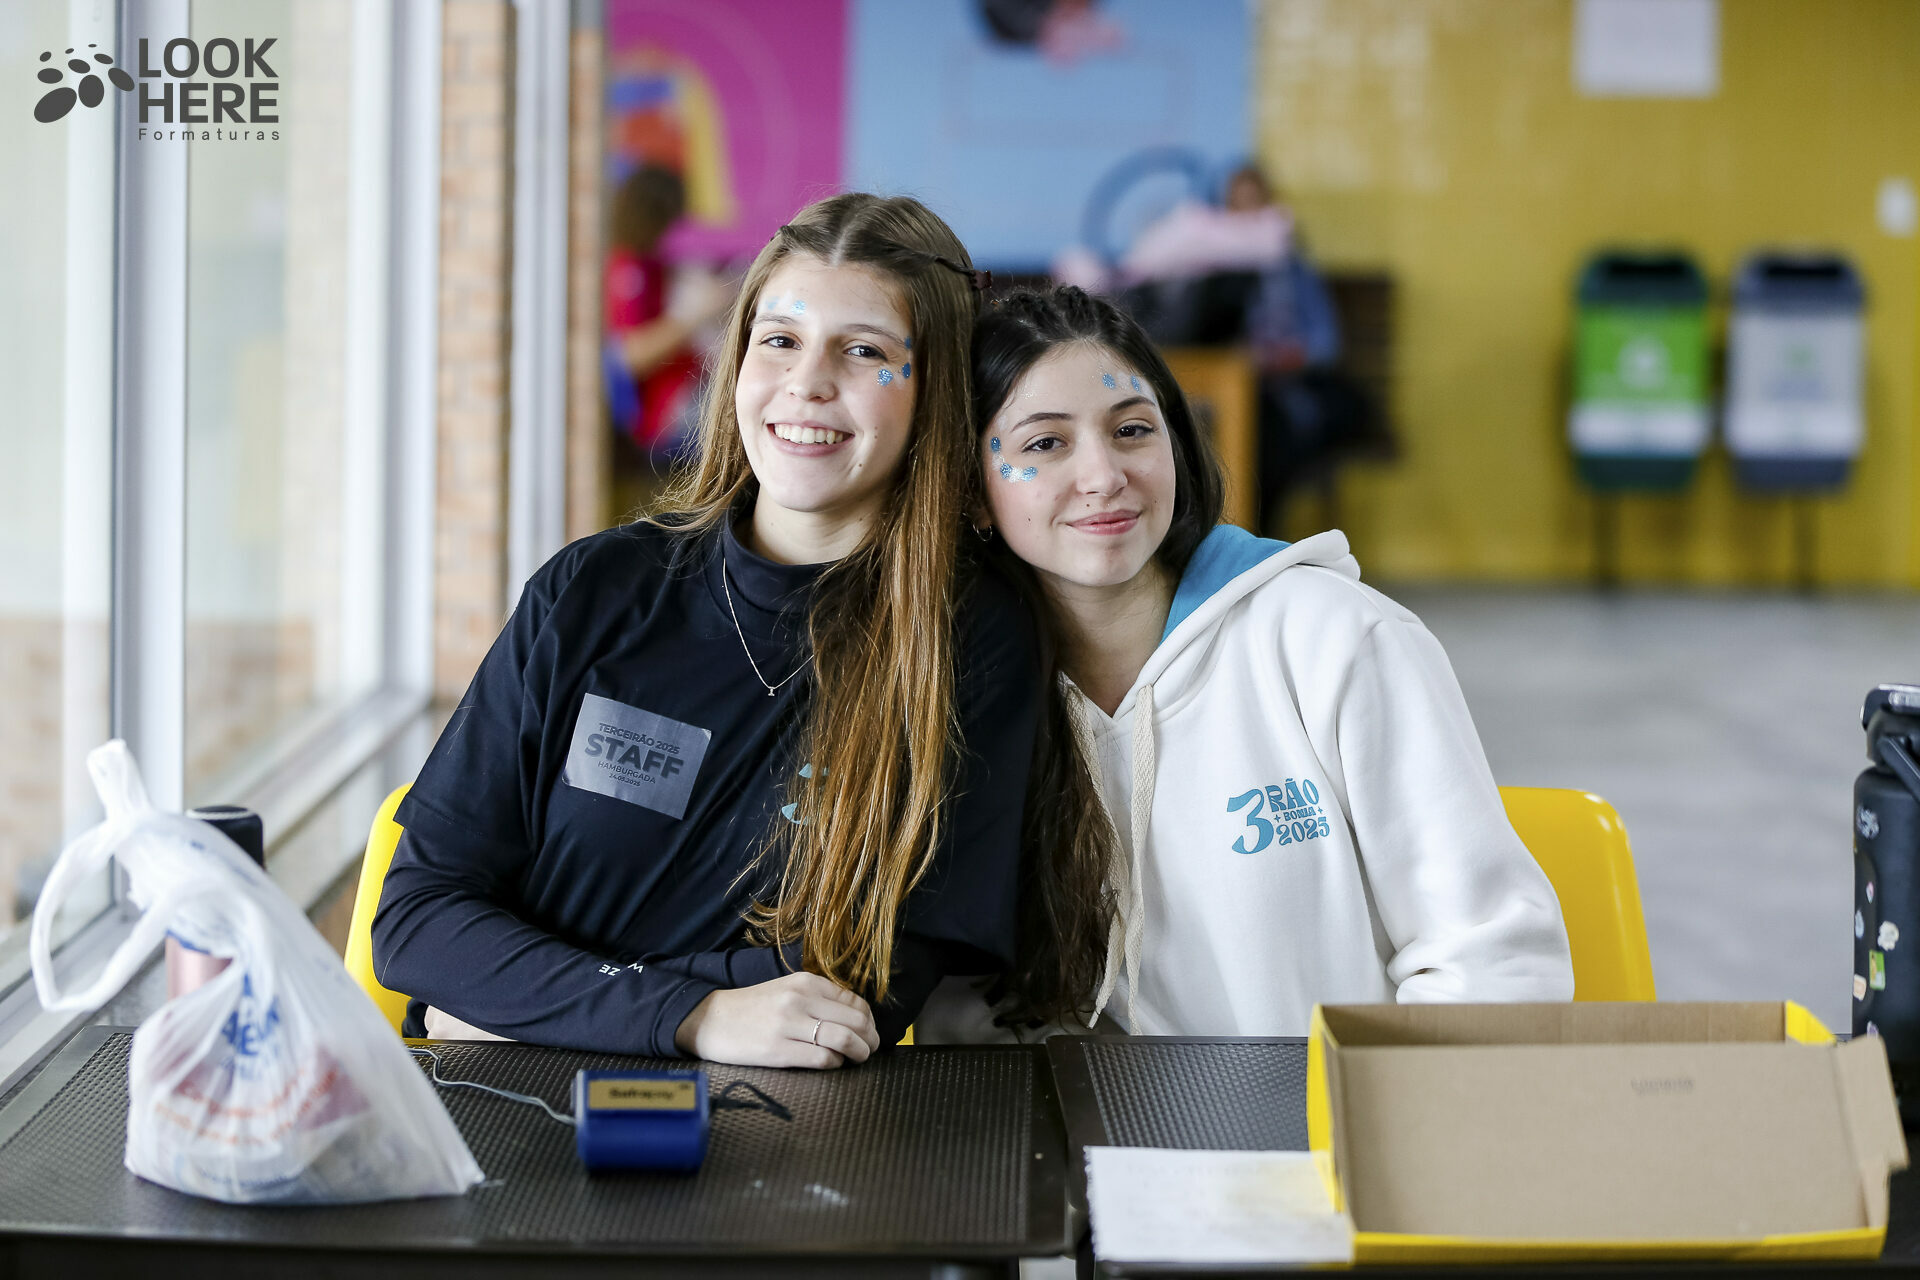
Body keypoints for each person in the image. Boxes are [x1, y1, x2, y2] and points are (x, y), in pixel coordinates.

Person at [373, 194, 1069, 1068]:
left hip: (769, 1124)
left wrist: (517, 1006)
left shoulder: (970, 638)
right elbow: (416, 921)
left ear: (935, 391)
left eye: (864, 351)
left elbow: (863, 988)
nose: (807, 382)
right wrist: (697, 1014)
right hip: (504, 1108)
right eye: (779, 340)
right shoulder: (594, 590)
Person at [938, 285, 1572, 1038]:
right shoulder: (957, 697)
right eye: (1045, 444)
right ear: (972, 493)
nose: (1104, 475)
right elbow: (964, 1017)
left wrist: (1376, 1112)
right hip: (1085, 1115)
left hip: (1338, 1111)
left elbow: (1490, 958)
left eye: (1133, 430)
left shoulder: (1335, 638)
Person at [604, 165, 732, 461]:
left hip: (693, 387)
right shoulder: (628, 269)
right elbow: (630, 356)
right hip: (668, 412)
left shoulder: (657, 263)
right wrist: (696, 313)